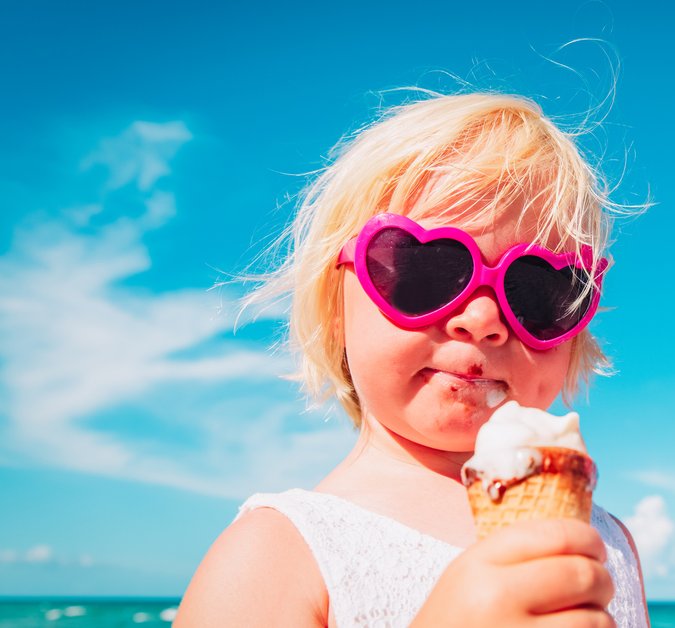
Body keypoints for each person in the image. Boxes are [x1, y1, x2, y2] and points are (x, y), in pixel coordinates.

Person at [175, 93, 648, 627]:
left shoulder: (609, 544)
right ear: (336, 307)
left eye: (540, 290)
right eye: (427, 269)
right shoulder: (274, 555)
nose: (482, 318)